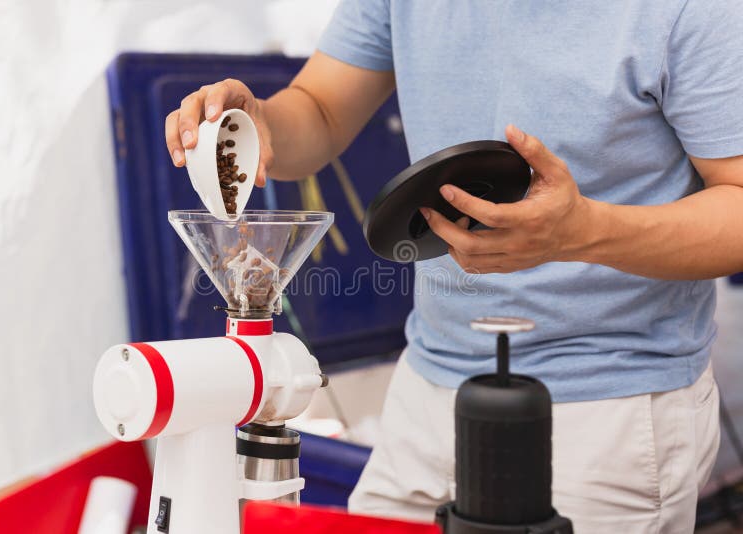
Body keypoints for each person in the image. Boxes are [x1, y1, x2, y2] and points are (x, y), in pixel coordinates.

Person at [164, 2, 743, 532]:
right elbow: (317, 111)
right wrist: (261, 122)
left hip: (606, 406)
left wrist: (583, 234)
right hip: (428, 386)